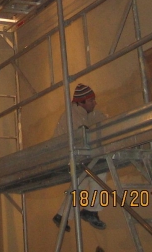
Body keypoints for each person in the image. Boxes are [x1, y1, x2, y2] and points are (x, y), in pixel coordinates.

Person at [52, 83, 108, 231]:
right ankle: (91, 210)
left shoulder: (77, 115)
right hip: (67, 158)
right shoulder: (74, 117)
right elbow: (81, 140)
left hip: (67, 157)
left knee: (82, 180)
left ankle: (62, 214)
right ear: (81, 102)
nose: (95, 103)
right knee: (100, 169)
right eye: (91, 100)